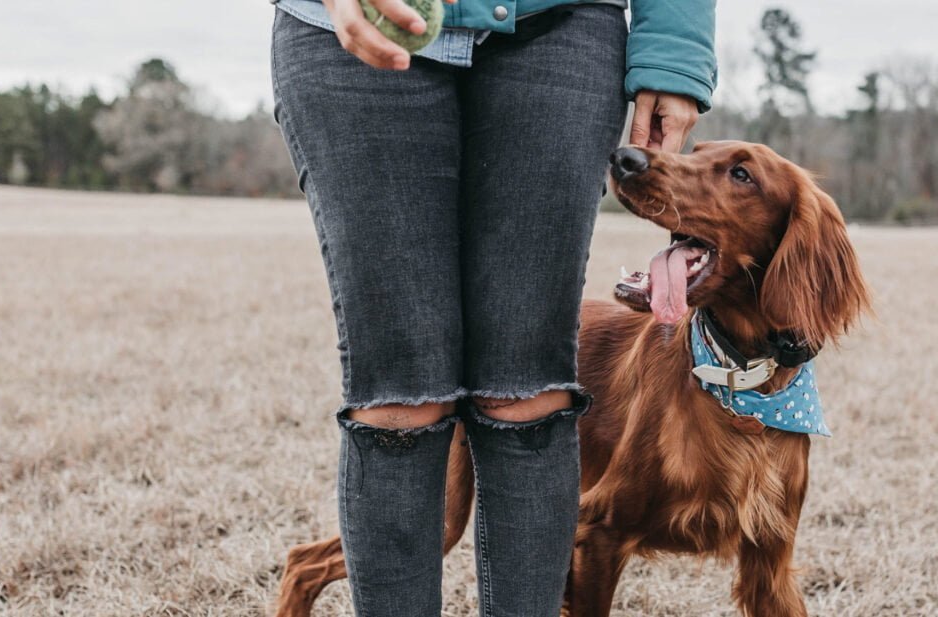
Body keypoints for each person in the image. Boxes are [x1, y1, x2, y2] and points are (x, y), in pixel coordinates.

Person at [269, 0, 715, 613]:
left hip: (560, 27)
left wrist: (674, 49)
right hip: (355, 30)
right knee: (399, 398)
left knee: (528, 390)